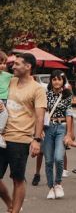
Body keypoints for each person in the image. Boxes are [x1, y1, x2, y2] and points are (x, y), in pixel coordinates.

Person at [0, 52, 46, 213]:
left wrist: (36, 140)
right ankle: (10, 204)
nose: (13, 66)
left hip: (21, 139)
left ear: (28, 67)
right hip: (1, 136)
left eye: (17, 64)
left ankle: (15, 211)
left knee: (17, 179)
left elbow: (40, 117)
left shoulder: (37, 89)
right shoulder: (9, 81)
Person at [41, 70, 74, 200]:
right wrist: (39, 130)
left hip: (61, 127)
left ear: (63, 81)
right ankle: (50, 187)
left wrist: (69, 133)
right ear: (51, 81)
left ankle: (58, 183)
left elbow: (69, 113)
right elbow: (41, 112)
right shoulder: (45, 94)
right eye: (54, 79)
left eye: (59, 79)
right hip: (48, 127)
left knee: (59, 158)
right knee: (48, 160)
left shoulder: (67, 95)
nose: (56, 81)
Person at [0, 52, 12, 150]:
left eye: (4, 63)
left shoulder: (7, 75)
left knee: (4, 116)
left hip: (5, 100)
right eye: (0, 63)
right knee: (4, 114)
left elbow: (17, 78)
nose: (3, 66)